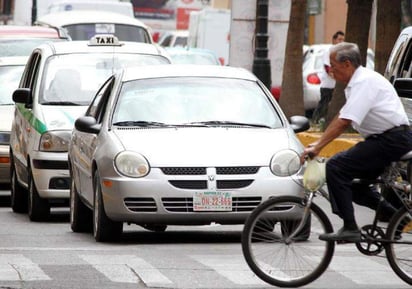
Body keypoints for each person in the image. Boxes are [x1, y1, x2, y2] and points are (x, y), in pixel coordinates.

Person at [301, 42, 412, 242]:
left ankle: (350, 227)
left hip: (391, 140)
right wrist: (319, 144)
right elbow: (344, 116)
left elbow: (345, 120)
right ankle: (397, 218)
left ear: (347, 64)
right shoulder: (357, 84)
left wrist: (318, 146)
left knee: (335, 166)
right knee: (354, 185)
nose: (331, 72)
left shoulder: (364, 82)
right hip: (385, 140)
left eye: (333, 67)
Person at [311, 30, 345, 127]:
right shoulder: (329, 51)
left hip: (337, 85)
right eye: (339, 39)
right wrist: (336, 77)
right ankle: (315, 120)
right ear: (334, 40)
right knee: (324, 103)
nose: (341, 42)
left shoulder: (342, 53)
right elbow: (327, 67)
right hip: (328, 84)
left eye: (343, 39)